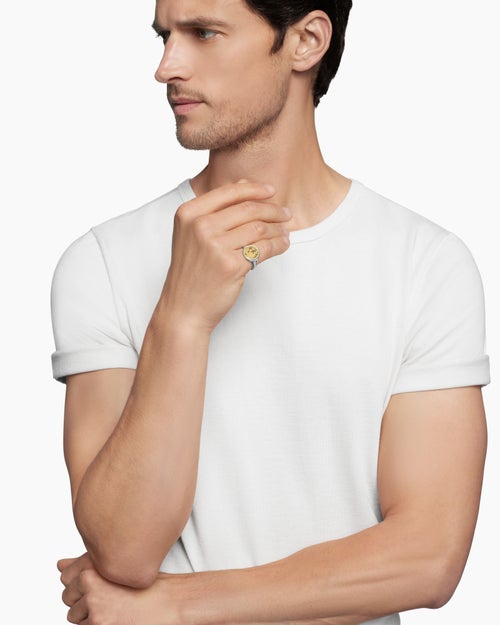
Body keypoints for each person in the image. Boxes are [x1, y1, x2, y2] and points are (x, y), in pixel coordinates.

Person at [51, 1, 490, 624]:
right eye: (165, 36)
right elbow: (124, 549)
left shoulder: (424, 262)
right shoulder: (101, 260)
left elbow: (426, 558)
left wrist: (178, 607)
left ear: (306, 41)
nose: (166, 66)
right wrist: (182, 315)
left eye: (204, 33)